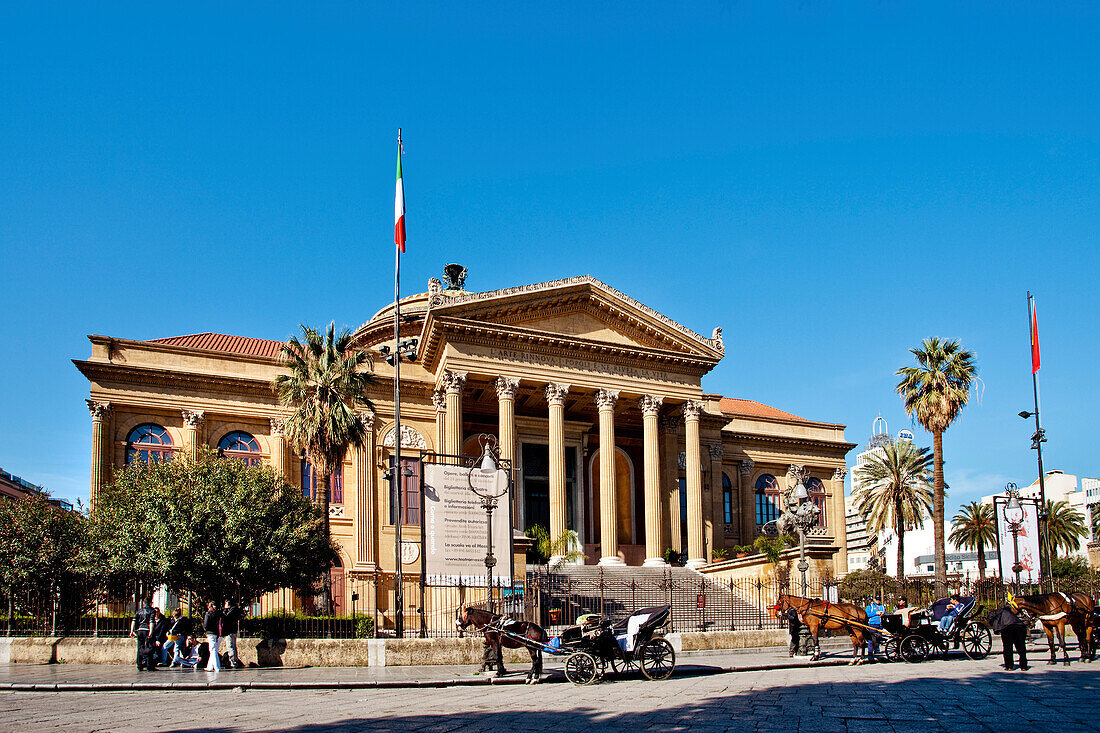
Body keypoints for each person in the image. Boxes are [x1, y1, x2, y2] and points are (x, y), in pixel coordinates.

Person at [989, 602, 1029, 671]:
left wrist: (995, 626)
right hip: (1020, 626)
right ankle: (1023, 666)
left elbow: (990, 616)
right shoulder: (1012, 613)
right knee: (1021, 647)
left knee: (1008, 647)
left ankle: (1009, 666)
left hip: (1007, 627)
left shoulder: (999, 611)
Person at [129, 596, 156, 671]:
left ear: (144, 603)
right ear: (151, 603)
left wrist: (132, 631)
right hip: (147, 630)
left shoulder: (139, 611)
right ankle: (149, 665)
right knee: (149, 647)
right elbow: (151, 621)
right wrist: (151, 631)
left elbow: (134, 620)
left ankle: (139, 665)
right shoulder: (152, 610)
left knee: (140, 647)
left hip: (140, 630)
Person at [222, 599, 243, 669]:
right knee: (233, 646)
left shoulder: (232, 610)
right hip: (233, 630)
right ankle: (234, 661)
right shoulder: (236, 609)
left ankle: (233, 662)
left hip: (230, 630)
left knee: (230, 646)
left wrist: (225, 609)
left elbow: (226, 617)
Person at [203, 601, 222, 672]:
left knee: (212, 649)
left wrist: (205, 630)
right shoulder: (218, 614)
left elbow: (206, 624)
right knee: (214, 649)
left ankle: (217, 667)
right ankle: (210, 666)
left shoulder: (208, 614)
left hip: (210, 633)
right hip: (216, 633)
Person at [864, 596, 885, 661]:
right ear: (874, 600)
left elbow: (886, 614)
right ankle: (870, 653)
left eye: (879, 600)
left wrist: (883, 614)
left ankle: (877, 652)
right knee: (871, 639)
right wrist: (875, 613)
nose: (878, 601)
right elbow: (867, 614)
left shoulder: (882, 607)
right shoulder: (870, 606)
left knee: (878, 638)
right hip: (872, 624)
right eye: (877, 600)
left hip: (880, 624)